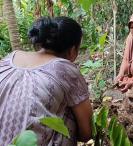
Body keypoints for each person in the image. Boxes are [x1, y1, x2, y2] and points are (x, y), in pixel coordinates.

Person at [0, 17, 92, 145]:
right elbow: (87, 132)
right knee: (71, 110)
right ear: (72, 50)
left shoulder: (11, 57)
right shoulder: (65, 69)